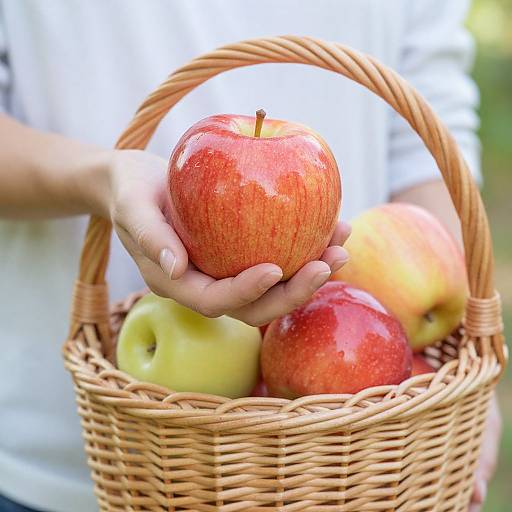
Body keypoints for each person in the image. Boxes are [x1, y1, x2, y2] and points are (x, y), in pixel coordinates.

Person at [0, 1, 500, 511]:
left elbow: (427, 123)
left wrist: (461, 386)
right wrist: (105, 179)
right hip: (72, 455)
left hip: (361, 461)